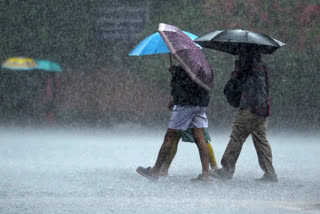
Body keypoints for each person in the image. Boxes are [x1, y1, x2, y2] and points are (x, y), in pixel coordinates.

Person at [210, 47, 278, 182]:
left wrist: (237, 71)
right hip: (263, 108)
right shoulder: (261, 66)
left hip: (250, 108)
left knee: (237, 136)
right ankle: (270, 173)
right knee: (261, 140)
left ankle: (226, 170)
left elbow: (236, 85)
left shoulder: (247, 66)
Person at [136, 64, 212, 181]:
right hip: (200, 104)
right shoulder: (204, 66)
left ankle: (155, 170)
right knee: (200, 138)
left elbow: (180, 87)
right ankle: (206, 174)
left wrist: (175, 75)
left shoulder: (184, 67)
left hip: (185, 105)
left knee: (169, 137)